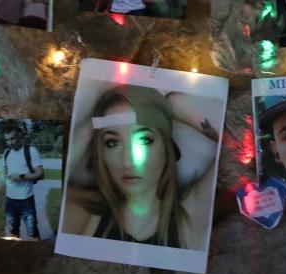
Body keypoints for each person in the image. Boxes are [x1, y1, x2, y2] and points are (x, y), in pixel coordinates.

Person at [64, 85, 219, 250]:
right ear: (100, 154)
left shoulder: (192, 216)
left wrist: (175, 105)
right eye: (112, 143)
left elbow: (240, 141)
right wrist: (93, 124)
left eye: (144, 141)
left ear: (167, 149)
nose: (127, 162)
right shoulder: (81, 210)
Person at [0, 125, 44, 240]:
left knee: (33, 233)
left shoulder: (30, 151)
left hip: (27, 200)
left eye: (12, 138)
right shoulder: (6, 154)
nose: (10, 142)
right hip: (10, 201)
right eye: (7, 139)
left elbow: (40, 174)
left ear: (20, 137)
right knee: (13, 233)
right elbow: (3, 176)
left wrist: (22, 177)